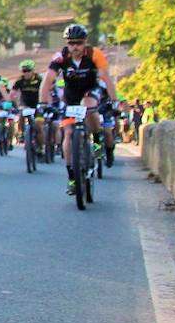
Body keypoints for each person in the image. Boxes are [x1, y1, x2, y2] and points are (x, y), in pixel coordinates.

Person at [39, 23, 117, 196]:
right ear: (67, 43)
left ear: (85, 42)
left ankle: (97, 140)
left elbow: (106, 77)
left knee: (89, 106)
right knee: (67, 133)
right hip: (70, 95)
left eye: (79, 43)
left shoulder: (95, 54)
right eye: (71, 43)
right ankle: (72, 177)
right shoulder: (60, 57)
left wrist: (114, 100)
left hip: (90, 90)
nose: (75, 47)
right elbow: (48, 79)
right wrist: (42, 103)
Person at [10, 59, 44, 152]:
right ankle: (22, 133)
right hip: (25, 104)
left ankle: (41, 147)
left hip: (38, 104)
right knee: (21, 113)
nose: (26, 73)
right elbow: (13, 93)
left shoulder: (39, 79)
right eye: (24, 71)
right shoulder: (19, 80)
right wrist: (13, 102)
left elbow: (46, 89)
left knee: (39, 126)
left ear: (33, 70)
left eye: (29, 70)